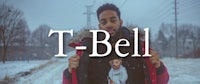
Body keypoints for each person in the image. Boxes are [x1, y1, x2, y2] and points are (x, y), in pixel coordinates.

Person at [63, 3, 169, 84]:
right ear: (99, 26)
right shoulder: (88, 50)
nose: (109, 25)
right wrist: (70, 72)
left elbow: (163, 80)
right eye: (104, 22)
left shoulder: (138, 47)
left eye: (113, 20)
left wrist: (158, 66)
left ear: (120, 22)